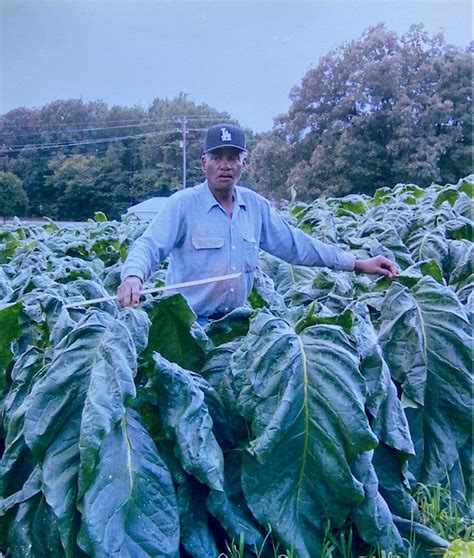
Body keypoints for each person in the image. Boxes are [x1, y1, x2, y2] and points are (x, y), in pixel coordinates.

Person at [118, 123, 398, 318]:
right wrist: (133, 276)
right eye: (217, 157)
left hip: (236, 327)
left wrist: (359, 264)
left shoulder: (255, 207)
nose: (225, 165)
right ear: (203, 163)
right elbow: (149, 245)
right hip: (188, 329)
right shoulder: (183, 205)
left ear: (244, 164)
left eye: (233, 158)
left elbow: (296, 245)